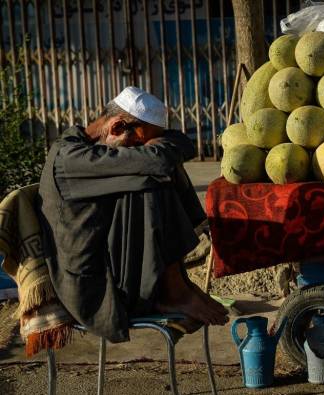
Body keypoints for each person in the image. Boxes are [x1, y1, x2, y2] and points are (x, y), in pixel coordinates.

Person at [37, 87, 228, 343]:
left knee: (157, 170)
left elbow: (180, 143)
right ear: (116, 127)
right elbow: (157, 161)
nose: (136, 151)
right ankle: (174, 292)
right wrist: (153, 151)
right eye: (137, 145)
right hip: (94, 286)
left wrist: (151, 142)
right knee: (149, 180)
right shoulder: (72, 159)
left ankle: (177, 285)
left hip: (115, 259)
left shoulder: (98, 143)